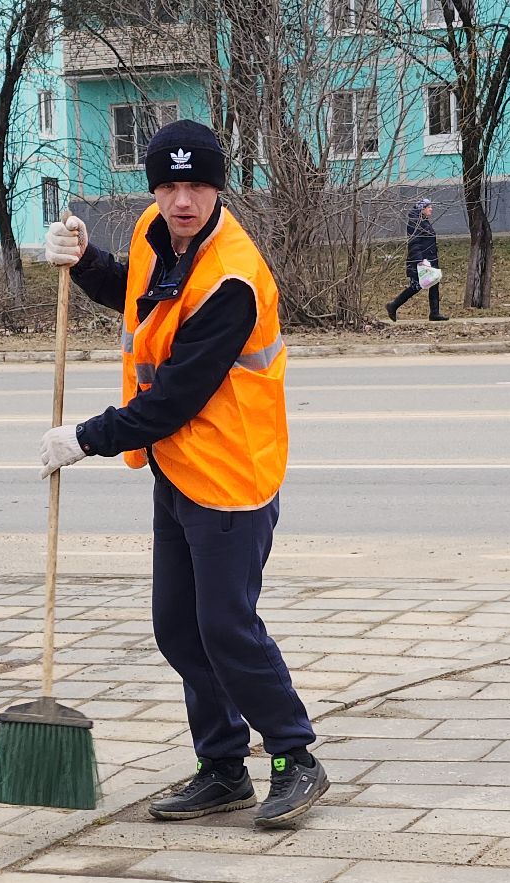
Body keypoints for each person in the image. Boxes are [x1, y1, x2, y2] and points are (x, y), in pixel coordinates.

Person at [37, 119, 329, 829]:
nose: (181, 200)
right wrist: (85, 262)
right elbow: (141, 299)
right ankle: (222, 767)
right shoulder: (153, 232)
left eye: (195, 185)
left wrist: (87, 437)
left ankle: (295, 757)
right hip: (178, 468)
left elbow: (174, 396)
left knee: (225, 625)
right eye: (167, 186)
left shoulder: (232, 275)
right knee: (177, 627)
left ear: (218, 187)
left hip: (231, 469)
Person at [386, 197, 447, 323]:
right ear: (422, 209)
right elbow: (414, 243)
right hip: (420, 262)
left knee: (434, 284)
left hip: (429, 260)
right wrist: (419, 260)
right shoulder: (416, 223)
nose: (431, 209)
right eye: (429, 207)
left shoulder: (423, 221)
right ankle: (393, 305)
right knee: (416, 286)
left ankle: (434, 313)